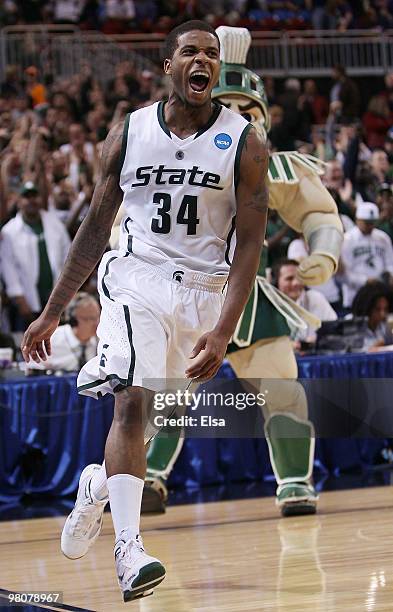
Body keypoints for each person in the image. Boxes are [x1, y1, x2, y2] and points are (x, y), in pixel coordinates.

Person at [21, 20, 269, 602]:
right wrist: (54, 310)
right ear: (169, 65)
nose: (203, 58)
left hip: (203, 294)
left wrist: (224, 328)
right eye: (190, 50)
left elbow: (252, 244)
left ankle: (96, 487)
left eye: (211, 52)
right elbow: (94, 227)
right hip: (135, 276)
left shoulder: (246, 142)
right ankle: (129, 552)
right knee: (131, 399)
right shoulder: (129, 133)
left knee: (148, 425)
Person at [143, 26, 344, 518]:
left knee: (283, 391)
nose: (237, 121)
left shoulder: (276, 166)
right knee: (169, 396)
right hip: (188, 299)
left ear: (264, 120)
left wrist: (323, 253)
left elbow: (319, 213)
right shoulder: (166, 161)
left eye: (247, 113)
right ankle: (146, 480)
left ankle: (295, 481)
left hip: (250, 298)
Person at [1, 180, 71, 329]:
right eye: (27, 197)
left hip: (55, 296)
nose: (31, 200)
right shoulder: (9, 231)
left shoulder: (54, 223)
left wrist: (68, 290)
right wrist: (19, 299)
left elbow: (68, 255)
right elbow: (9, 268)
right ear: (19, 201)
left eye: (34, 196)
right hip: (27, 301)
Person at [27, 293, 100, 372]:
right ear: (73, 321)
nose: (97, 323)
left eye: (98, 317)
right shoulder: (52, 339)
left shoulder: (102, 340)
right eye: (90, 318)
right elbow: (32, 370)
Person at [340, 202, 393, 308]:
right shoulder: (347, 240)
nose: (370, 226)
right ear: (357, 220)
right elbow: (343, 275)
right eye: (367, 222)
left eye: (373, 222)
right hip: (356, 296)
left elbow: (390, 263)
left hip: (379, 295)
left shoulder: (383, 238)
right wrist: (365, 281)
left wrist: (390, 274)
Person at [274, 258, 338, 344]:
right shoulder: (269, 305)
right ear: (276, 282)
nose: (296, 283)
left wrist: (317, 341)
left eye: (299, 277)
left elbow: (335, 330)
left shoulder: (315, 298)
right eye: (289, 279)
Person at [352, 281, 393, 351]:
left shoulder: (386, 325)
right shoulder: (351, 325)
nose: (382, 314)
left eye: (385, 309)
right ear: (367, 308)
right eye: (377, 309)